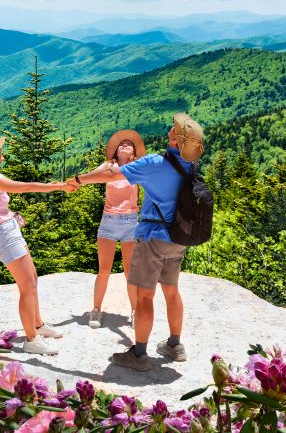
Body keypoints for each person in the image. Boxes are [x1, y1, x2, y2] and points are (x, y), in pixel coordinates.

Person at [70, 113, 205, 371]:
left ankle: (139, 354)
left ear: (176, 139)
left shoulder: (156, 163)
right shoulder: (190, 165)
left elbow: (112, 176)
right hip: (178, 237)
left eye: (173, 130)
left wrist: (78, 179)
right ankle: (175, 345)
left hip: (153, 236)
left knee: (145, 296)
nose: (170, 130)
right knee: (172, 290)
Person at [0, 136, 73, 355]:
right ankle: (31, 340)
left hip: (9, 231)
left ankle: (38, 325)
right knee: (27, 287)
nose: (1, 153)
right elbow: (25, 187)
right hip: (4, 235)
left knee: (33, 279)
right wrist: (58, 186)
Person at [78, 129, 146, 329]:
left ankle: (135, 312)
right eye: (121, 144)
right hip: (108, 220)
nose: (125, 145)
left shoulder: (137, 167)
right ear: (115, 151)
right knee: (104, 270)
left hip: (130, 222)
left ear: (133, 151)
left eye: (129, 144)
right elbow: (93, 176)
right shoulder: (108, 166)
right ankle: (96, 310)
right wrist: (76, 180)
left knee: (129, 271)